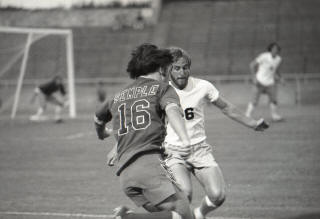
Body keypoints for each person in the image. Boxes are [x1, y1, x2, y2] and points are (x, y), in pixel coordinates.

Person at [162, 47, 269, 219]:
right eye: (177, 68)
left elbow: (227, 108)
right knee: (185, 194)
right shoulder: (161, 91)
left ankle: (199, 214)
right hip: (173, 151)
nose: (182, 72)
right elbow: (147, 123)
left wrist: (253, 123)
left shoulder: (203, 86)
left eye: (185, 67)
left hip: (200, 149)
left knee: (218, 195)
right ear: (168, 69)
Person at [94, 43, 195, 219]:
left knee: (171, 216)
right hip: (150, 166)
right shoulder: (163, 89)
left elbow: (98, 118)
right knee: (186, 215)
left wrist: (101, 133)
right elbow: (172, 110)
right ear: (162, 68)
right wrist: (185, 138)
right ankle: (127, 218)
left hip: (126, 175)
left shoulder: (118, 96)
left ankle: (129, 215)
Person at [245, 42, 283, 121]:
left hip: (270, 83)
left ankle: (274, 115)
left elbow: (276, 70)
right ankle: (247, 115)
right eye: (274, 48)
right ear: (270, 49)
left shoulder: (279, 59)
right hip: (259, 81)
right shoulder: (264, 56)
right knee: (254, 100)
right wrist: (254, 78)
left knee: (274, 99)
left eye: (277, 49)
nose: (275, 50)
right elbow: (252, 65)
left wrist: (280, 78)